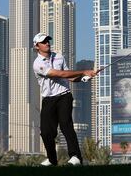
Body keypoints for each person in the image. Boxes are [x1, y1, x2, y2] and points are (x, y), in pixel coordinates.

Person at [32, 33, 97, 166]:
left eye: (48, 41)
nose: (47, 44)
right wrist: (84, 71)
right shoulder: (37, 64)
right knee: (46, 132)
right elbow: (59, 74)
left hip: (64, 96)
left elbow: (69, 77)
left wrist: (83, 78)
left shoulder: (59, 57)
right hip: (48, 100)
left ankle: (75, 157)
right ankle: (52, 159)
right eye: (43, 42)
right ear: (37, 46)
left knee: (66, 124)